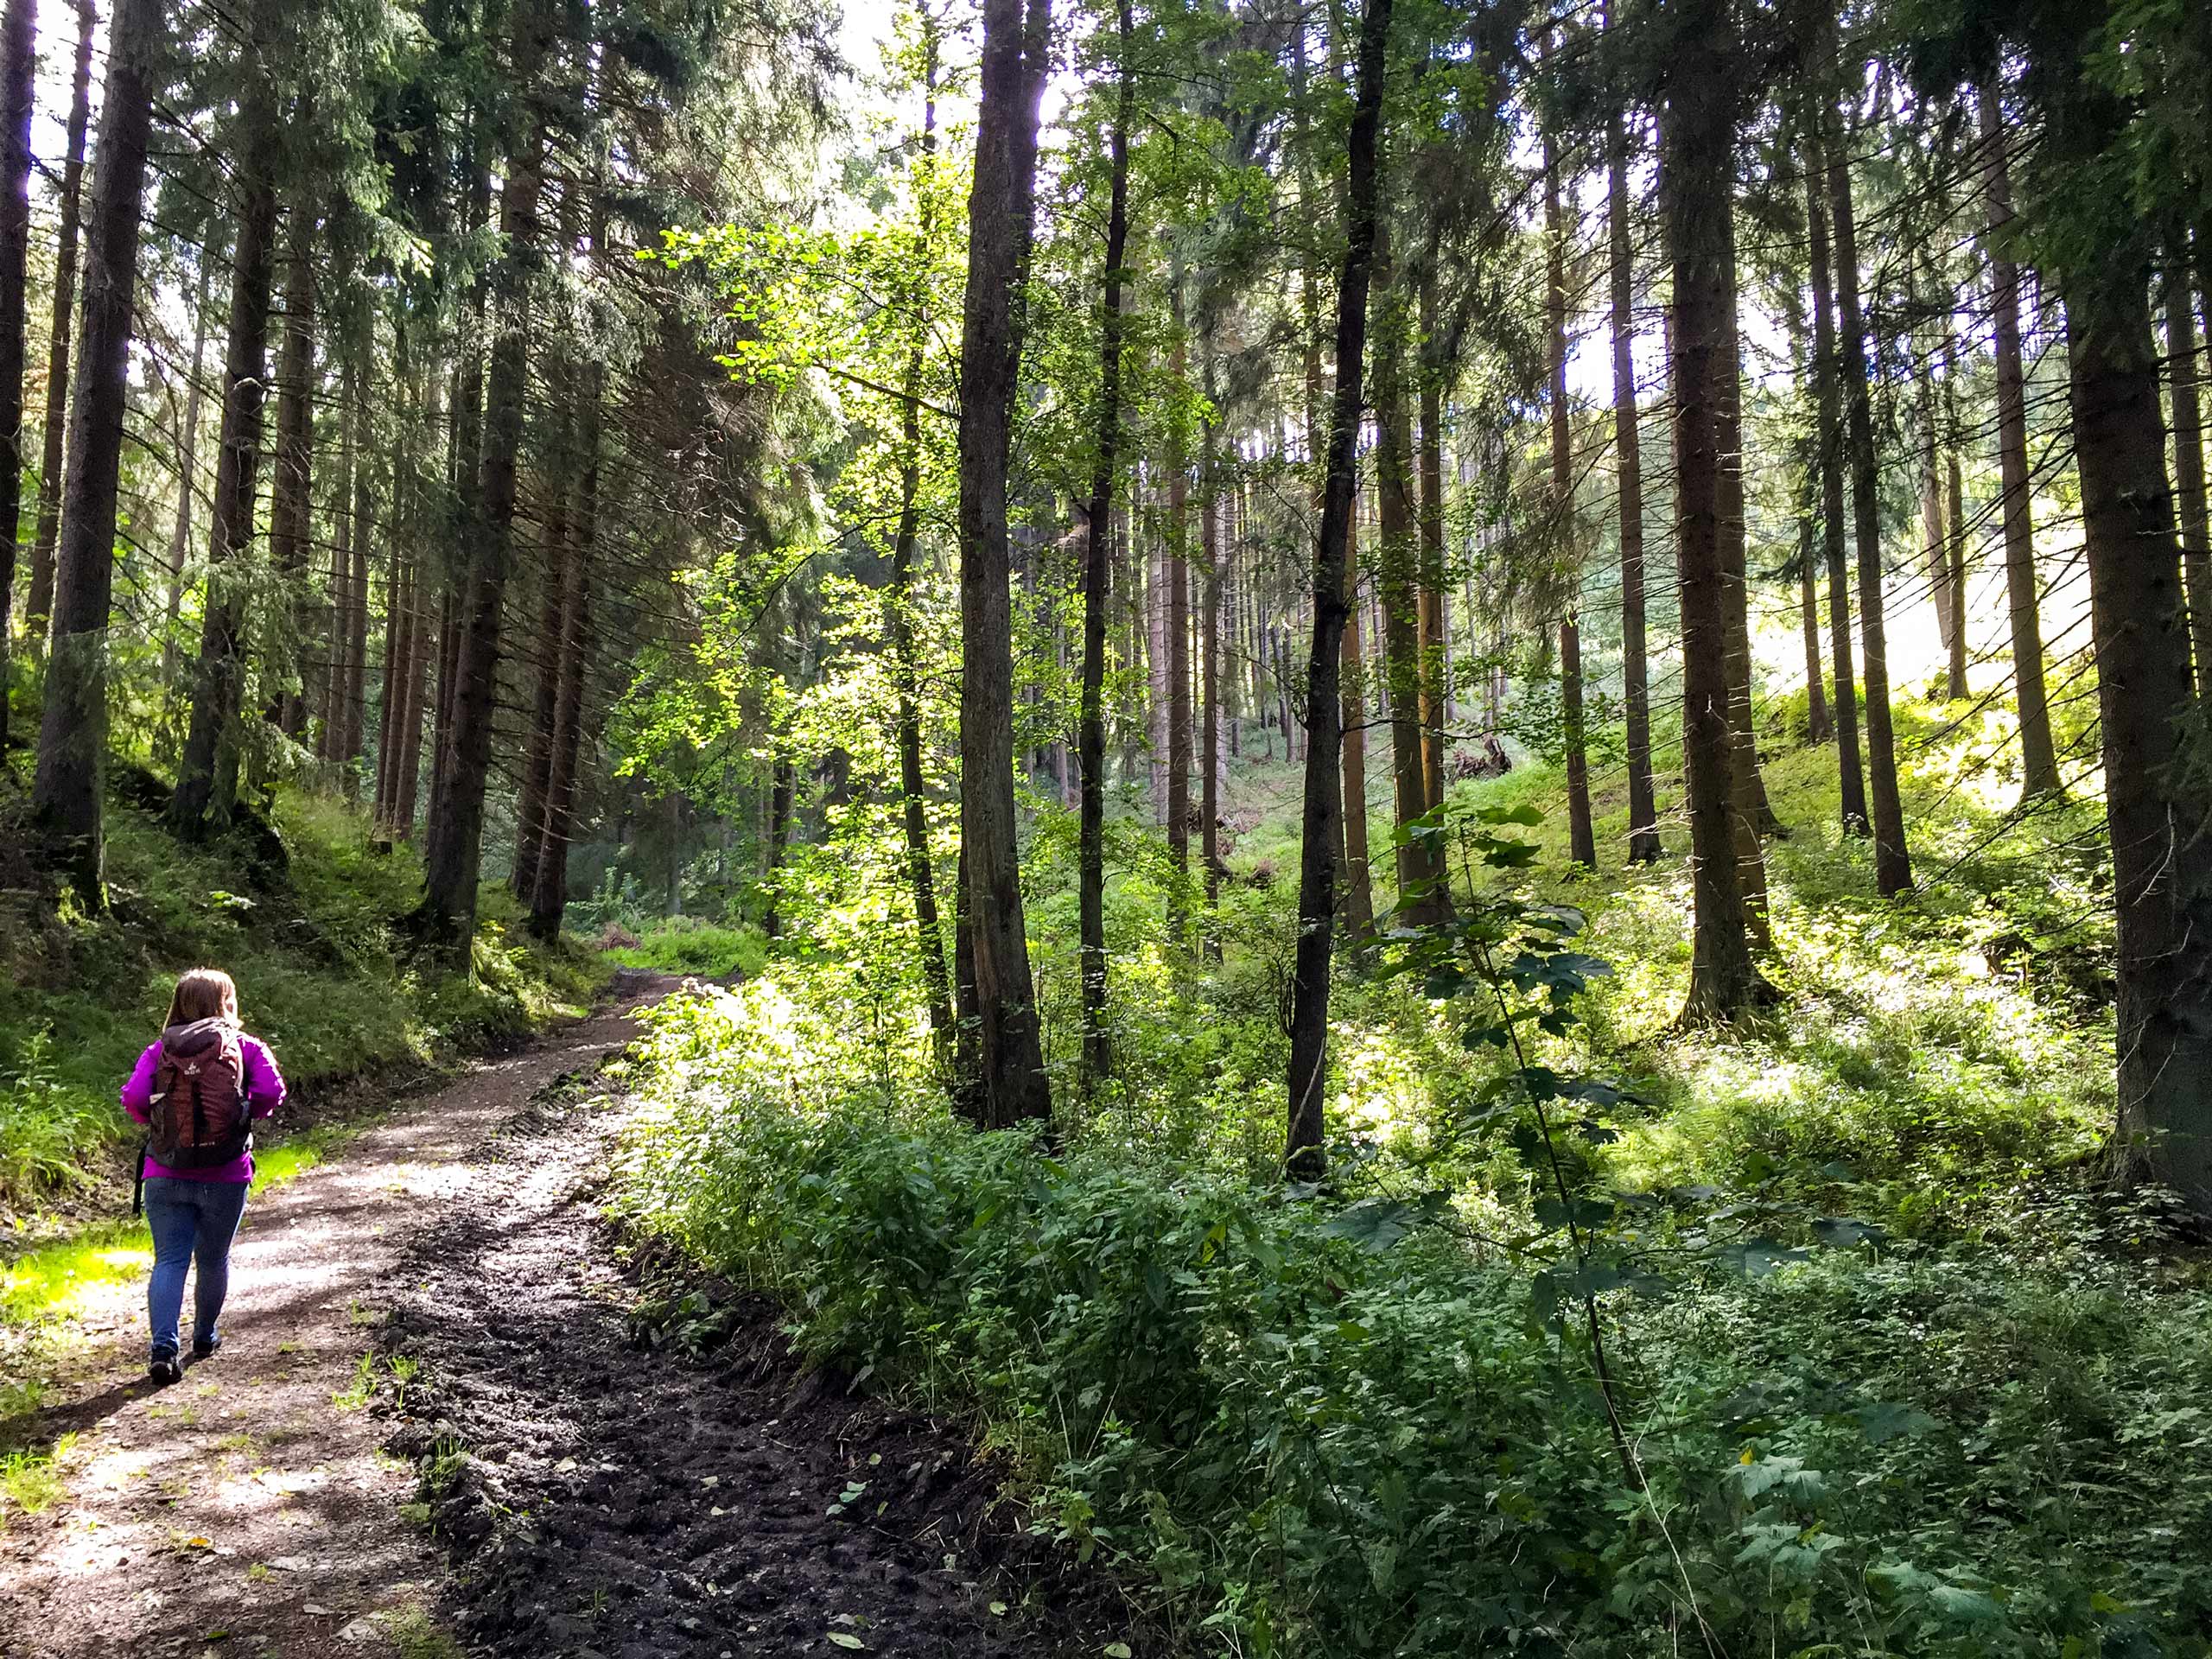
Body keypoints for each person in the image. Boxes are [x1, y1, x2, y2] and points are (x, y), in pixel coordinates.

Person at [121, 969, 285, 1385]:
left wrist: (161, 1124)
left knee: (170, 1260)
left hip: (165, 1169)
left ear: (177, 1003)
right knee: (213, 1259)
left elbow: (134, 1098)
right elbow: (271, 1092)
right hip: (227, 1173)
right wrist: (242, 1117)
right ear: (226, 1003)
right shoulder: (245, 1047)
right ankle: (206, 1337)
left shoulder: (159, 1049)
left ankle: (163, 1348)